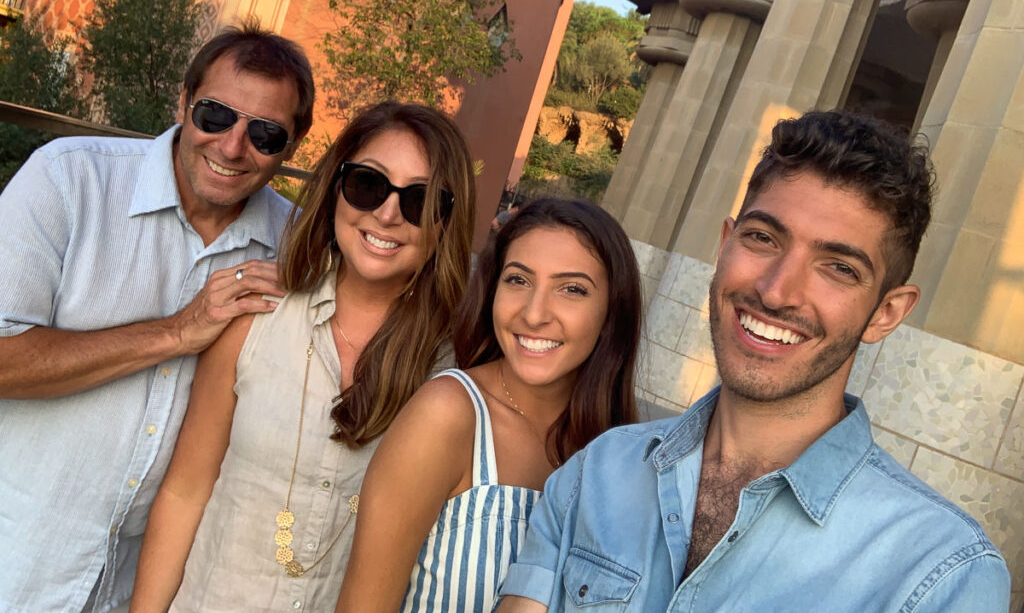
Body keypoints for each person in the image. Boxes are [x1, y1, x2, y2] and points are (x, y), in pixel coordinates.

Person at [496, 111, 1012, 613]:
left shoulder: (941, 575)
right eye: (763, 238)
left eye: (838, 267)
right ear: (725, 244)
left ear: (887, 312)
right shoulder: (597, 471)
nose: (776, 291)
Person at [0, 22, 315, 613]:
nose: (231, 147)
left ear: (291, 149)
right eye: (217, 116)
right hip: (18, 560)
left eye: (266, 134)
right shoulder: (72, 177)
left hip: (141, 588)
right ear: (184, 102)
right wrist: (177, 332)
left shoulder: (294, 245)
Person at [129, 100, 476, 613]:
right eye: (368, 183)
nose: (385, 213)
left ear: (446, 222)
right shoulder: (254, 316)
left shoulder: (450, 373)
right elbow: (186, 492)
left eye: (420, 202)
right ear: (336, 185)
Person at [337, 197, 643, 613]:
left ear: (611, 312)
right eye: (518, 280)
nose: (535, 314)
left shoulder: (620, 452)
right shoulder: (449, 414)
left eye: (572, 289)